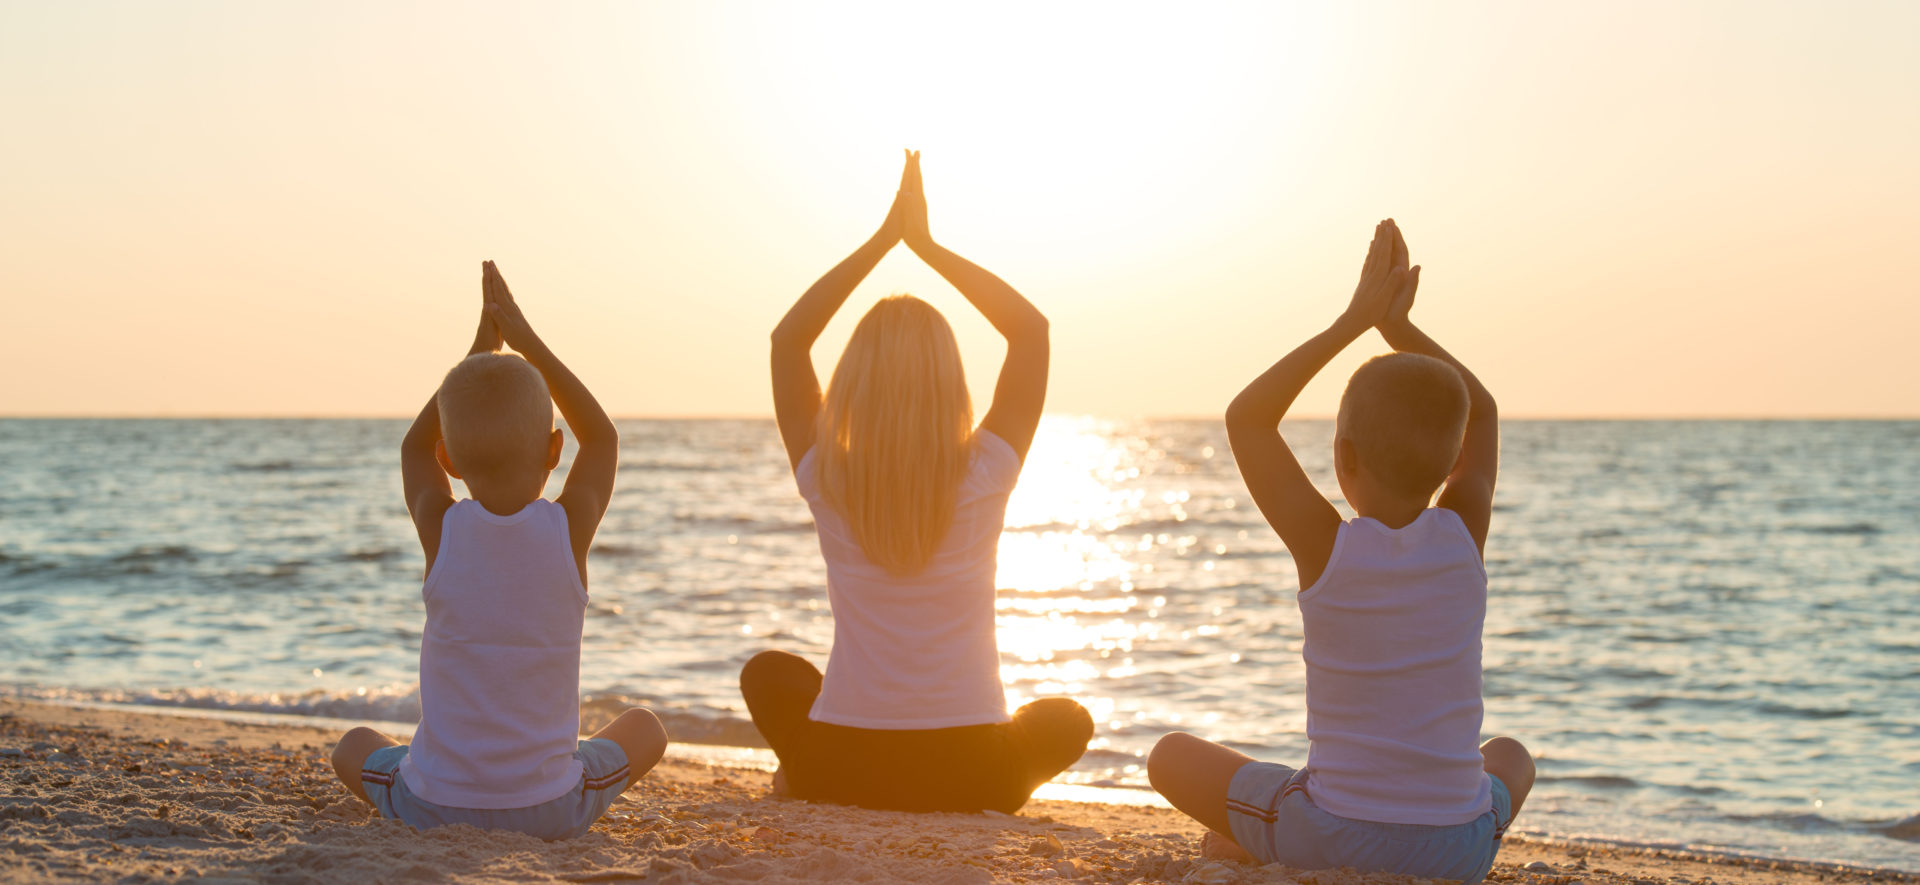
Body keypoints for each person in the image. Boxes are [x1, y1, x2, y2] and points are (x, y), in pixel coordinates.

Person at [1146, 220, 1534, 883]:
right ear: (1449, 466)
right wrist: (1398, 328)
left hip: (1330, 835)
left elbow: (1247, 417)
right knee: (1511, 755)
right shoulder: (1462, 531)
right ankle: (1272, 830)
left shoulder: (1325, 546)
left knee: (1169, 757)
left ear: (1342, 457)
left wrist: (1353, 320)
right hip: (1458, 848)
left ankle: (1257, 838)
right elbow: (1487, 412)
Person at [740, 150, 1092, 813]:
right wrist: (926, 246)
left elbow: (788, 342)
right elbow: (1031, 332)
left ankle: (799, 777)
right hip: (975, 774)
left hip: (839, 767)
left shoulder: (827, 474)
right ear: (949, 382)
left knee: (767, 673)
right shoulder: (986, 471)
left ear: (854, 384)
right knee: (1067, 718)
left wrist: (882, 242)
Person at [328, 261, 667, 840]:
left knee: (351, 748)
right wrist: (527, 342)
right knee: (647, 729)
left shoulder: (441, 528)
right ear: (554, 449)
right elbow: (604, 437)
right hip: (550, 808)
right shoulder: (569, 528)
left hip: (431, 806)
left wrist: (478, 351)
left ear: (450, 461)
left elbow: (414, 450)